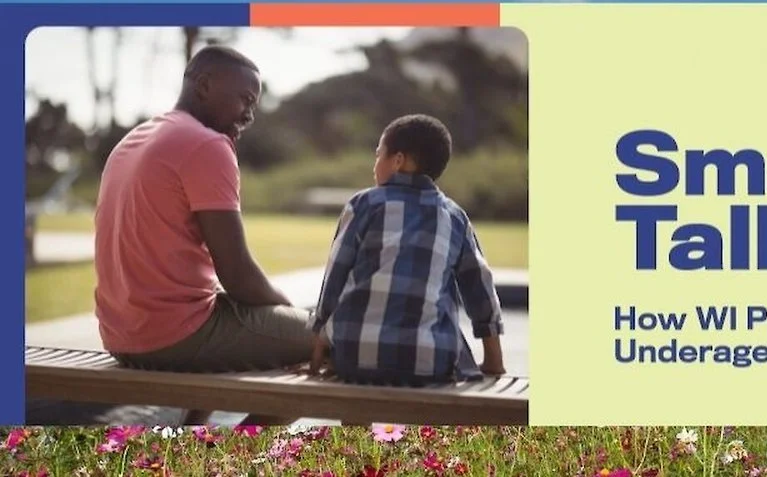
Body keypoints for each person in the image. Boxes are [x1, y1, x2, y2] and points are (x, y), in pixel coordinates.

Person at [93, 45, 317, 425]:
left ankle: (193, 432)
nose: (248, 114)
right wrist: (295, 315)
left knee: (243, 319)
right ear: (204, 84)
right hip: (172, 337)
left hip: (120, 333)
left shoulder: (135, 138)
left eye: (254, 105)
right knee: (328, 341)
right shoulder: (206, 144)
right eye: (244, 99)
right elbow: (239, 276)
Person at [308, 114, 507, 386]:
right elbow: (479, 288)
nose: (374, 165)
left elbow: (335, 277)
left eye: (379, 155)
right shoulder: (454, 216)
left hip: (354, 358)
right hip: (431, 362)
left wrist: (320, 337)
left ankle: (357, 426)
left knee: (354, 347)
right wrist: (494, 360)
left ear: (399, 161)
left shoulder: (363, 205)